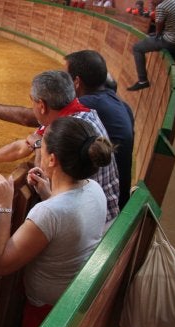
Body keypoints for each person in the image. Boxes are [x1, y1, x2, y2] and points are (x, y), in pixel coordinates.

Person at [0, 116, 113, 327]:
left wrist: (5, 206)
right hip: (73, 300)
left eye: (42, 146)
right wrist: (47, 192)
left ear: (52, 160)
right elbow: (67, 215)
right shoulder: (94, 189)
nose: (39, 150)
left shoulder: (50, 212)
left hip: (47, 313)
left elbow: (0, 264)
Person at [0, 70, 120, 224]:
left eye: (32, 102)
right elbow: (21, 148)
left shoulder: (64, 131)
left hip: (92, 224)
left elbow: (41, 175)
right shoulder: (79, 114)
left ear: (42, 106)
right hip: (102, 213)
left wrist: (38, 144)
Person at [64, 50, 134, 209]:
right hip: (119, 197)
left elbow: (41, 116)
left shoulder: (85, 104)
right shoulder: (122, 105)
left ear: (77, 82)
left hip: (101, 205)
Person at [127, 0, 175, 91]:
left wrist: (156, 34)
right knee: (169, 66)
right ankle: (168, 90)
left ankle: (142, 81)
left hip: (171, 41)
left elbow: (158, 30)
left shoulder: (161, 6)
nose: (152, 1)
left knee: (137, 48)